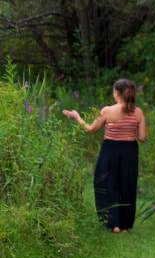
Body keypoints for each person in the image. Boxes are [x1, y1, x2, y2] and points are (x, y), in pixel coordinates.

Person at [62, 79, 146, 233]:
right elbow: (142, 137)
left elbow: (90, 129)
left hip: (110, 150)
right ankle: (125, 225)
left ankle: (113, 223)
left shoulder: (107, 111)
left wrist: (76, 117)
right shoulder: (138, 112)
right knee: (127, 185)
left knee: (106, 184)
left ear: (117, 93)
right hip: (130, 151)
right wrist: (128, 128)